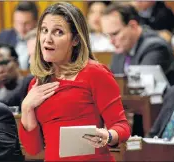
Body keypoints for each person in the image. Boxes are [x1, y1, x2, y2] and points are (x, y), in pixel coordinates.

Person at [19, 2, 131, 161]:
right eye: (44, 30)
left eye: (58, 32)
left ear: (76, 39)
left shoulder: (95, 73)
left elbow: (122, 127)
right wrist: (27, 107)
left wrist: (107, 135)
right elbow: (33, 149)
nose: (47, 39)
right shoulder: (38, 84)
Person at [100, 3, 174, 86]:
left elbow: (140, 89)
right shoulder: (120, 50)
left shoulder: (155, 47)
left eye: (115, 34)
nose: (111, 41)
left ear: (133, 26)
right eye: (107, 36)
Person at [0, 1, 38, 70]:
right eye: (18, 22)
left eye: (26, 23)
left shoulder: (43, 40)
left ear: (36, 22)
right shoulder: (4, 36)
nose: (22, 28)